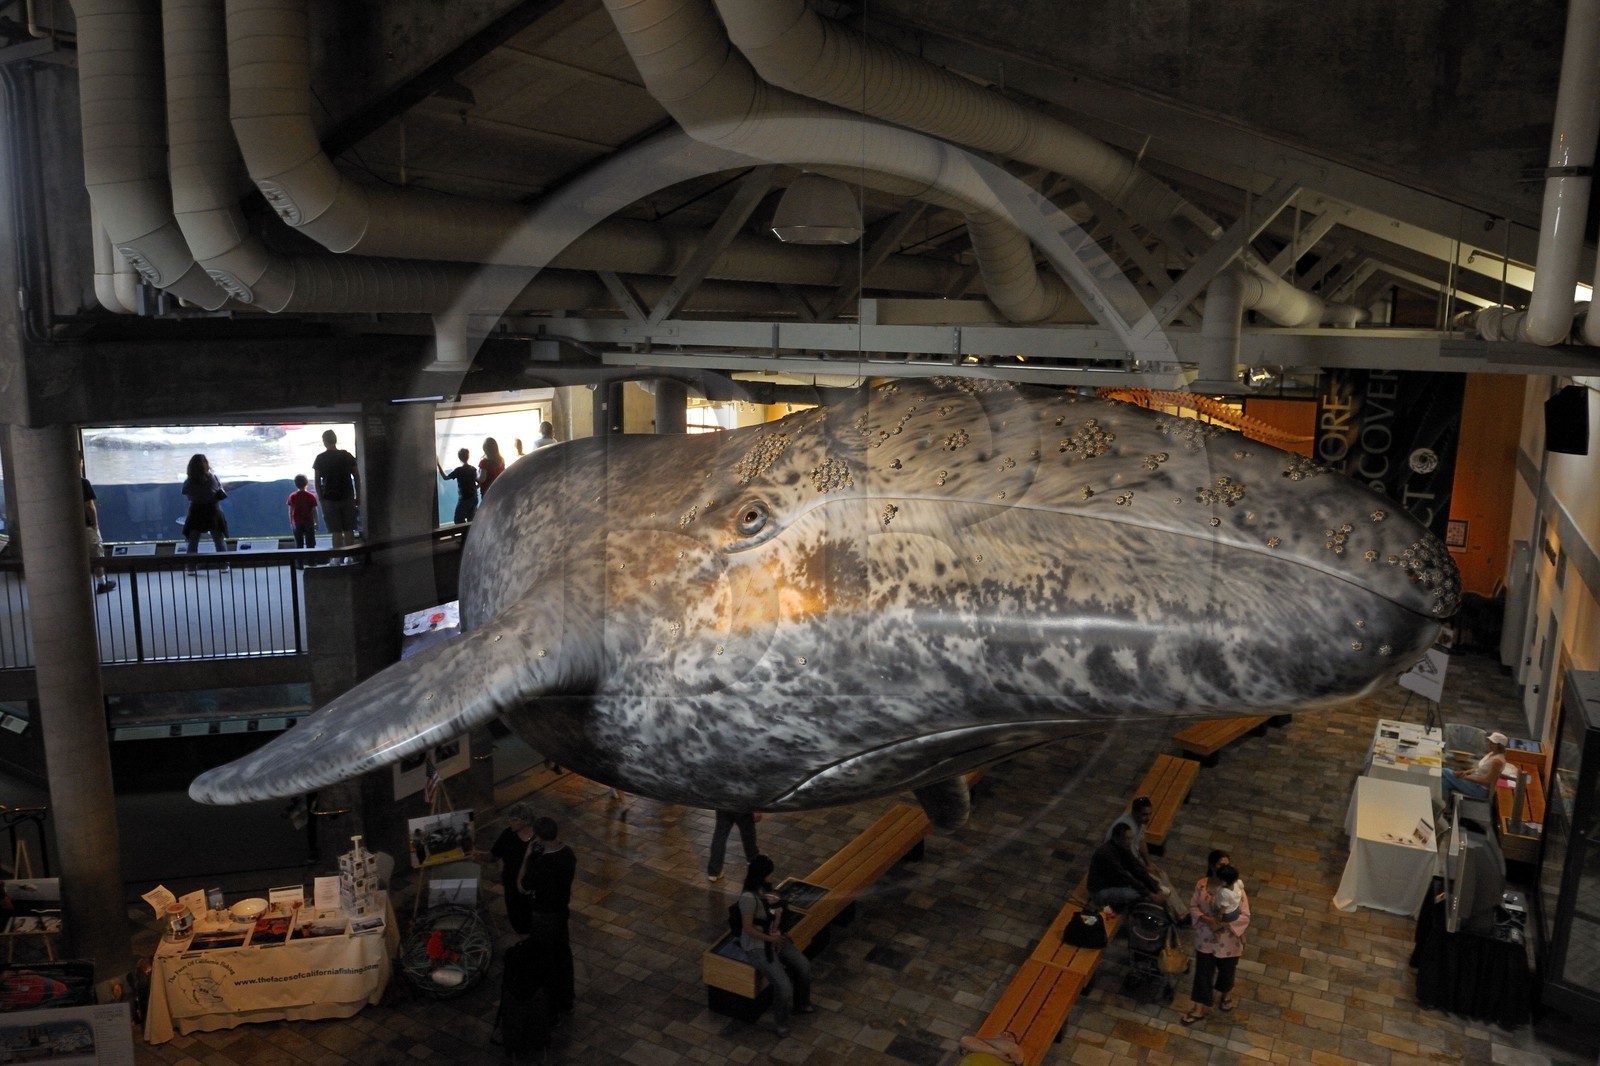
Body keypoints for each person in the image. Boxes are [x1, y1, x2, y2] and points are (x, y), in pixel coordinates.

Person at [737, 855, 814, 1037]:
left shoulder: (766, 890)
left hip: (775, 937)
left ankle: (802, 1003)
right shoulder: (748, 898)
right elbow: (748, 928)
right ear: (762, 875)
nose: (772, 876)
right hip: (757, 946)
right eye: (770, 873)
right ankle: (782, 1022)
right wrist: (771, 940)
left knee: (804, 966)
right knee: (783, 985)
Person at [1180, 850, 1250, 1026]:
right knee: (1203, 973)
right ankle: (1198, 1008)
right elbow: (1194, 906)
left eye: (1227, 865)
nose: (1224, 868)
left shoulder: (1236, 889)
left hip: (1229, 941)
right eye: (1221, 865)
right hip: (1206, 939)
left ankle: (1225, 994)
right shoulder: (1202, 885)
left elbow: (1245, 915)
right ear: (1212, 866)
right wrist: (1207, 920)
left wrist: (1223, 923)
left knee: (1227, 972)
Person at [518, 816, 575, 1015]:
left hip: (543, 916)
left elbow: (522, 886)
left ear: (539, 837)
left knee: (544, 958)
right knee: (563, 954)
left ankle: (551, 1003)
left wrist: (527, 858)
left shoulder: (542, 864)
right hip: (561, 911)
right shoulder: (568, 853)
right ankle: (567, 997)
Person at [1105, 796, 1184, 923]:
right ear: (1135, 812)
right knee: (1157, 884)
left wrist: (1149, 863)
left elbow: (1141, 842)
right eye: (1144, 815)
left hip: (1132, 863)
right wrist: (1145, 872)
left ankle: (1180, 911)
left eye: (1149, 814)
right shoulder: (1125, 829)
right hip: (1120, 870)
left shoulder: (1138, 822)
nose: (1147, 818)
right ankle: (1176, 915)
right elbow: (1127, 861)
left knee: (1161, 874)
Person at [474, 802, 535, 935]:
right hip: (512, 884)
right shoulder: (508, 835)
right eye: (510, 819)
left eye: (514, 820)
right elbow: (493, 856)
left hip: (531, 885)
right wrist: (478, 855)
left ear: (525, 821)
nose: (510, 822)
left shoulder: (537, 838)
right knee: (517, 918)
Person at [1087, 820, 1166, 913]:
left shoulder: (1123, 847)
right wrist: (1150, 895)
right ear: (1116, 839)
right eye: (1126, 839)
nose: (1130, 842)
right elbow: (1124, 877)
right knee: (1136, 894)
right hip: (1100, 890)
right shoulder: (1106, 854)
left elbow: (1137, 868)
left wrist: (1156, 888)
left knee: (1152, 883)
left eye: (1131, 839)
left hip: (1115, 883)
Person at [313, 429, 360, 563]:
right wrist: (358, 496)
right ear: (335, 439)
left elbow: (317, 481)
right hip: (348, 497)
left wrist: (321, 498)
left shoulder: (320, 458)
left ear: (324, 441)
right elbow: (356, 476)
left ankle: (337, 558)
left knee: (336, 531)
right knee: (349, 529)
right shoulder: (347, 455)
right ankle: (349, 557)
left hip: (329, 500)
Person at [1440, 731, 1509, 820]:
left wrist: (1466, 777)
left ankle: (1443, 807)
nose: (1489, 744)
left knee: (1444, 771)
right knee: (1444, 782)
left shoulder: (1497, 761)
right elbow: (1479, 769)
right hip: (1473, 782)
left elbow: (1488, 781)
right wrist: (1466, 772)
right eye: (1490, 742)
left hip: (1480, 789)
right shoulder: (1491, 754)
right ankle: (1445, 809)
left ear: (1499, 745)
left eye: (1492, 743)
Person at [181, 453, 230, 576]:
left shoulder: (188, 482)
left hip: (196, 511)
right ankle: (224, 565)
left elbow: (187, 495)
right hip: (213, 511)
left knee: (192, 541)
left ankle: (191, 567)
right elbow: (219, 490)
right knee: (218, 539)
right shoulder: (213, 478)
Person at [82, 470, 115, 594]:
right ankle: (102, 583)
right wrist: (95, 524)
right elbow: (89, 506)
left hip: (67, 528)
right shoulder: (83, 482)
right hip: (86, 526)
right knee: (96, 553)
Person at [706, 809, 759, 883]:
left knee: (720, 836)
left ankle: (714, 872)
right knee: (749, 838)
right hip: (743, 806)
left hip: (724, 805)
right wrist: (757, 809)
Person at [436, 448, 478, 525]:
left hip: (464, 498)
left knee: (458, 519)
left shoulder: (459, 470)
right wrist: (475, 488)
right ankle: (468, 535)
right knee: (471, 520)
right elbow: (478, 481)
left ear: (459, 457)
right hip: (474, 497)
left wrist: (438, 464)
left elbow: (445, 477)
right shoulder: (473, 469)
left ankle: (463, 535)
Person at [286, 474, 319, 550]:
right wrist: (316, 522)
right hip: (309, 522)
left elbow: (290, 511)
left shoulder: (292, 496)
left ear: (295, 484)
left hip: (297, 523)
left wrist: (291, 522)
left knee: (299, 544)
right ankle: (311, 561)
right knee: (310, 544)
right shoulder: (311, 496)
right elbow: (314, 510)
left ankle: (299, 561)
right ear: (306, 483)